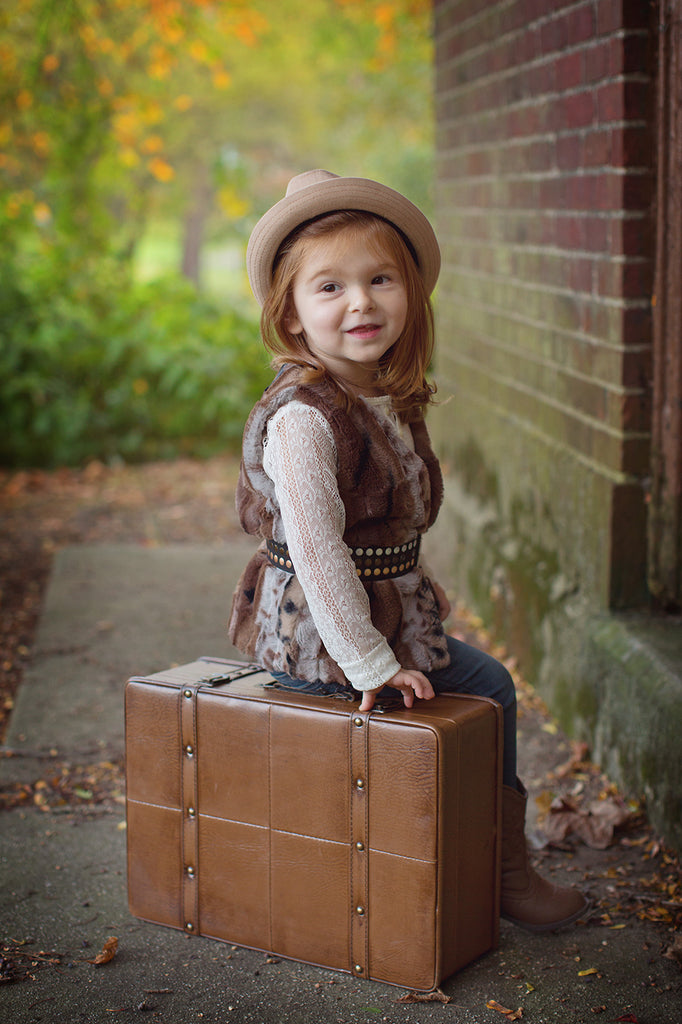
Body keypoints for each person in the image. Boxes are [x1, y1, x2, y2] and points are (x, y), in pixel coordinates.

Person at [228, 169, 589, 933]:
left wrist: (418, 601)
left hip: (387, 622)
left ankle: (500, 867)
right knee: (390, 743)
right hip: (324, 645)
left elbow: (389, 534)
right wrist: (368, 663)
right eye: (329, 288)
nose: (360, 302)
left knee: (487, 686)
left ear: (409, 295)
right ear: (292, 319)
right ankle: (388, 888)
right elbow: (323, 557)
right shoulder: (304, 420)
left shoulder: (384, 398)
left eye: (379, 279)